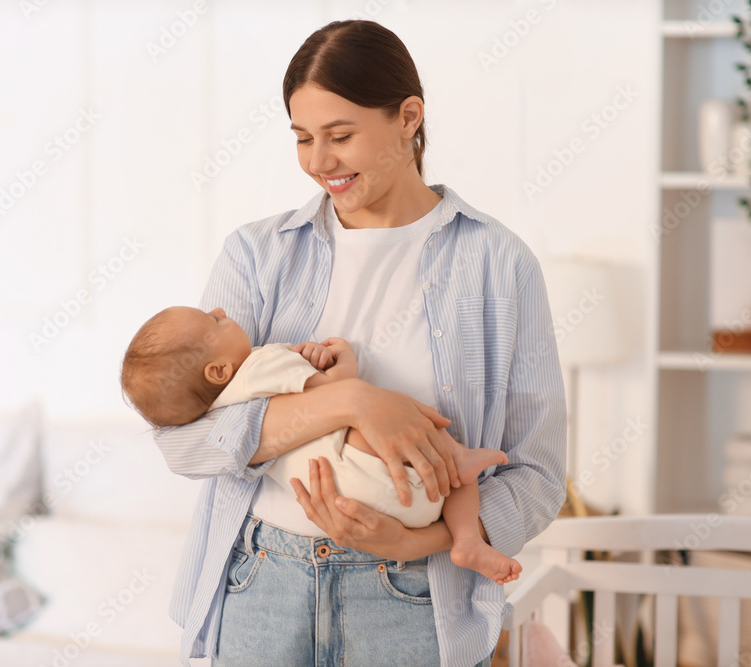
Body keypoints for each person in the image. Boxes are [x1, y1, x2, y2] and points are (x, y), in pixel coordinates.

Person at [148, 19, 566, 667]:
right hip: (260, 579)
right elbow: (184, 437)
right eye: (303, 138)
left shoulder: (499, 264)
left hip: (413, 597)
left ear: (408, 117)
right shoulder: (257, 255)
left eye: (341, 135)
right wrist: (354, 403)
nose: (319, 161)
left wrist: (417, 539)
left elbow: (537, 472)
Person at [119, 304, 521, 584]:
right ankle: (465, 528)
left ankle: (463, 518)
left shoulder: (216, 407)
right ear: (218, 369)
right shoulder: (261, 362)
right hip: (390, 472)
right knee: (417, 425)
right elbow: (339, 388)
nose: (222, 310)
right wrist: (344, 357)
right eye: (213, 321)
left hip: (347, 499)